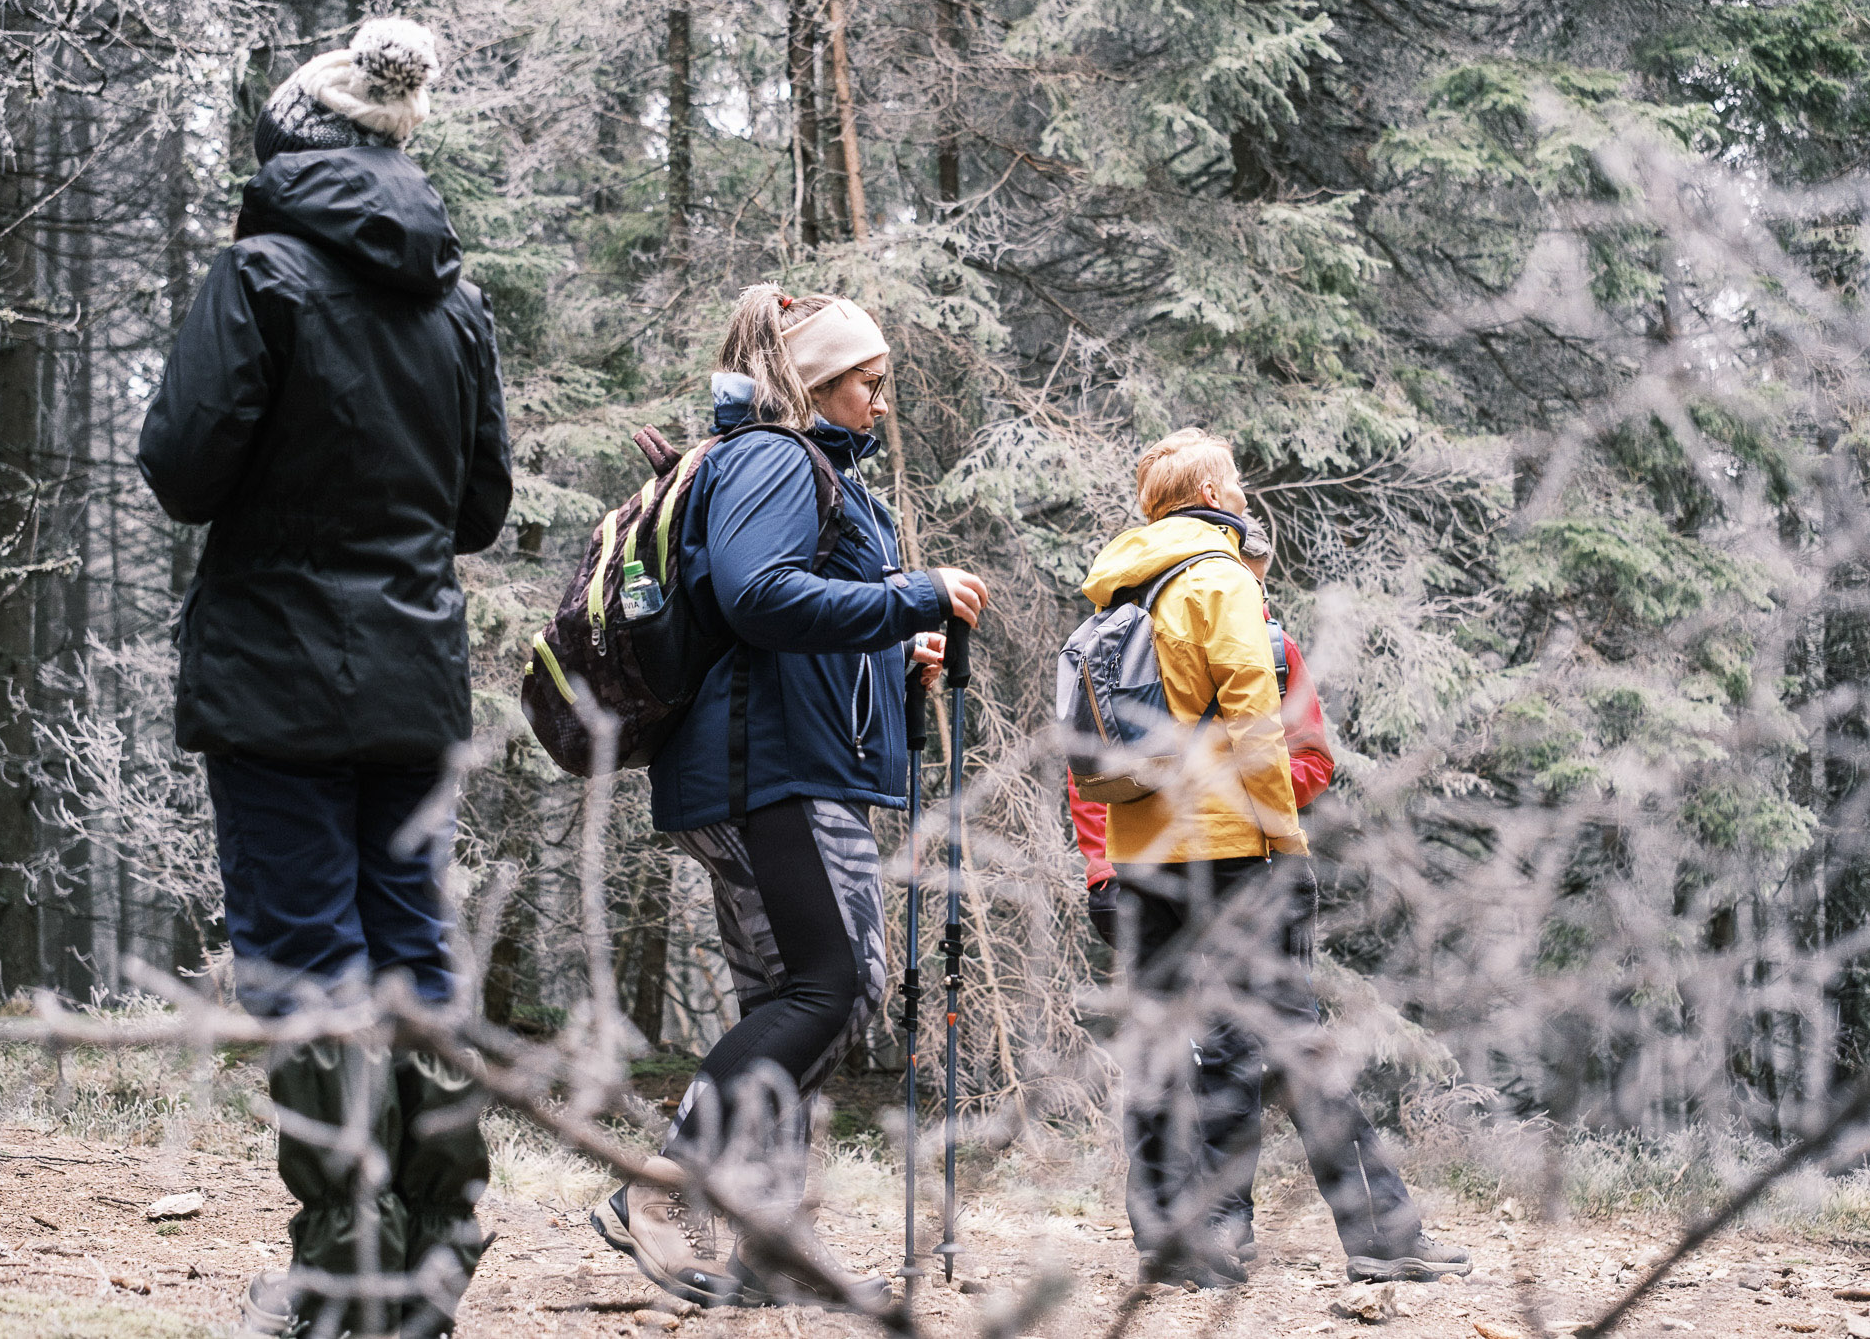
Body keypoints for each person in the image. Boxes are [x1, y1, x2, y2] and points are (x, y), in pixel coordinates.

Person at [137, 18, 512, 1339]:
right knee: (413, 952)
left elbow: (182, 469)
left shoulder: (260, 277)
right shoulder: (455, 302)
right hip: (412, 676)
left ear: (291, 142)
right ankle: (434, 1256)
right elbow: (479, 510)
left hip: (277, 674)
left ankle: (351, 1276)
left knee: (308, 966)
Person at [587, 285, 989, 1308]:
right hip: (769, 769)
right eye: (866, 382)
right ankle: (660, 1185)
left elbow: (785, 619)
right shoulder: (773, 457)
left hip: (772, 761)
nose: (879, 402)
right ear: (812, 382)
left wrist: (897, 657)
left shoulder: (791, 467)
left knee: (791, 998)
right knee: (832, 983)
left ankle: (764, 1251)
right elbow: (757, 597)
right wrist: (913, 593)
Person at [1077, 430, 1468, 1289]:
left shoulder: (1118, 590)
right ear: (1216, 487)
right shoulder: (1219, 579)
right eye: (1238, 479)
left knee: (1158, 1046)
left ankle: (1176, 1243)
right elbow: (1257, 723)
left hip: (1145, 849)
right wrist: (1282, 835)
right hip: (1228, 847)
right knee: (1290, 1045)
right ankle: (1383, 1234)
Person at [1070, 513, 1333, 925]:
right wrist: (1102, 867)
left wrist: (1244, 793)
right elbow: (1092, 756)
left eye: (1258, 588)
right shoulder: (1136, 644)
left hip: (1240, 858)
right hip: (1143, 868)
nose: (1253, 601)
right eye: (1245, 586)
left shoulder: (1278, 651)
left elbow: (1313, 759)